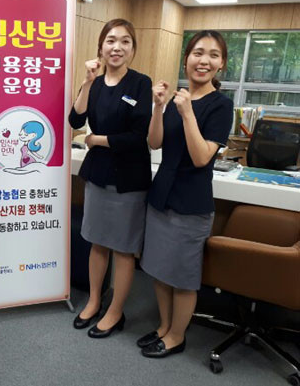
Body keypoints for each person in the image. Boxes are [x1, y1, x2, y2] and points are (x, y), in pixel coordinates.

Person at [138, 30, 234, 358]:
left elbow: (201, 157)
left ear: (221, 64)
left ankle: (177, 336)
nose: (204, 60)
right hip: (161, 197)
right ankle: (164, 327)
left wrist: (188, 113)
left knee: (182, 277)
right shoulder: (177, 99)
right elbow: (154, 142)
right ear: (186, 59)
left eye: (213, 55)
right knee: (159, 269)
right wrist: (158, 107)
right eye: (197, 53)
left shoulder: (221, 105)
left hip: (191, 204)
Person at [68, 19, 152, 338]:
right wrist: (87, 82)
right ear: (101, 47)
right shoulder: (96, 83)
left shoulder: (140, 84)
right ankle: (93, 301)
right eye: (111, 41)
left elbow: (138, 136)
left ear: (133, 49)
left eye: (125, 41)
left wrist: (96, 140)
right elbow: (75, 119)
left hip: (129, 178)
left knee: (123, 249)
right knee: (97, 242)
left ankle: (115, 311)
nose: (117, 47)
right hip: (99, 174)